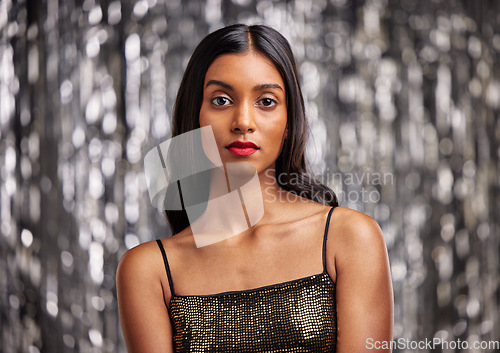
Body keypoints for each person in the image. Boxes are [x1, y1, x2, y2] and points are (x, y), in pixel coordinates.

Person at [117, 24, 393, 352]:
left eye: (266, 101)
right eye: (221, 100)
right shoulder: (149, 270)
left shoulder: (349, 238)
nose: (243, 121)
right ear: (195, 117)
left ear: (291, 122)